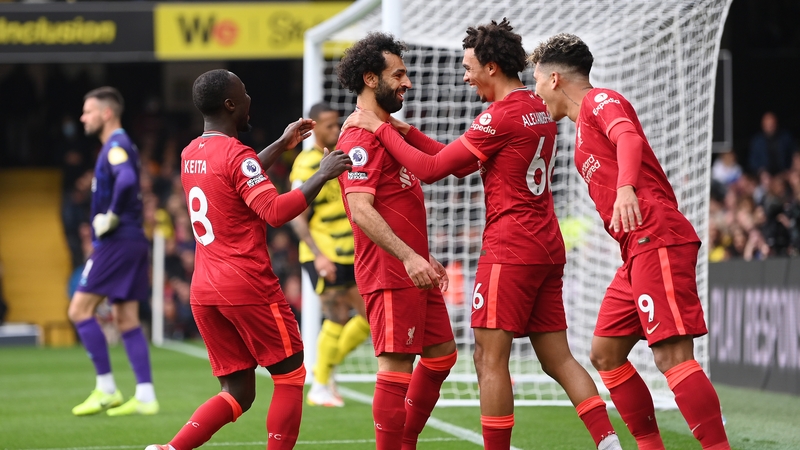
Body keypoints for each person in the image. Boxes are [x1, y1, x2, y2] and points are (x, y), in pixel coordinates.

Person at [343, 19, 621, 450]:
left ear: (491, 67)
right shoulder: (537, 107)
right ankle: (607, 442)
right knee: (559, 358)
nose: (465, 75)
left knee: (489, 359)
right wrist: (406, 132)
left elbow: (436, 170)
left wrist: (380, 128)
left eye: (469, 66)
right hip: (547, 247)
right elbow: (464, 161)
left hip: (509, 249)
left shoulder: (497, 116)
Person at [530, 33, 731, 450]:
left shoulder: (600, 100)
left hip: (656, 235)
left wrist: (625, 188)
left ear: (553, 78)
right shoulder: (580, 129)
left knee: (672, 356)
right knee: (605, 351)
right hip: (635, 250)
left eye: (535, 80)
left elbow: (629, 138)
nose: (535, 92)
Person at [144, 69, 352, 450]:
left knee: (238, 391)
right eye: (244, 93)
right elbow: (273, 211)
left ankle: (170, 449)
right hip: (247, 284)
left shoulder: (191, 152)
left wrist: (280, 144)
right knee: (290, 375)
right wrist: (321, 175)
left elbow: (234, 175)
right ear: (230, 104)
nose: (250, 99)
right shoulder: (237, 155)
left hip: (205, 289)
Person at [335, 32, 458, 450]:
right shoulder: (359, 138)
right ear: (371, 79)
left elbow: (438, 166)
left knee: (442, 355)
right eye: (398, 75)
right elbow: (361, 209)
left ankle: (405, 443)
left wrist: (421, 258)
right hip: (391, 270)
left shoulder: (388, 131)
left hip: (414, 267)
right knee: (396, 366)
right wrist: (408, 257)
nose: (408, 83)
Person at [67, 87, 159, 417]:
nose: (83, 117)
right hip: (132, 241)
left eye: (87, 111)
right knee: (126, 317)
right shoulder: (116, 145)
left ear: (106, 113)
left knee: (79, 310)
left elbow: (126, 180)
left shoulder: (116, 145)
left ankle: (106, 388)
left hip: (117, 241)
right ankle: (146, 395)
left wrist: (113, 214)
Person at [288, 102, 370, 408]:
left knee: (370, 320)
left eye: (337, 124)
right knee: (335, 315)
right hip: (324, 253)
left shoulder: (341, 159)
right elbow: (297, 215)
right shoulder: (306, 163)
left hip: (351, 253)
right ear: (314, 128)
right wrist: (318, 254)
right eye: (329, 125)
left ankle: (325, 373)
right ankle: (320, 384)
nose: (335, 130)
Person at [748, 111, 795, 176]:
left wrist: (790, 170)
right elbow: (753, 162)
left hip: (784, 173)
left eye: (772, 124)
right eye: (768, 125)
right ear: (763, 125)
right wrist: (761, 172)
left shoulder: (785, 137)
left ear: (776, 124)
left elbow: (793, 154)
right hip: (765, 174)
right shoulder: (757, 141)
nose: (770, 127)